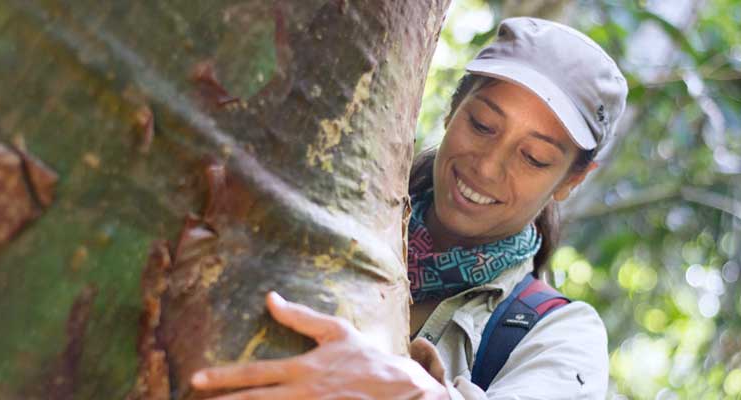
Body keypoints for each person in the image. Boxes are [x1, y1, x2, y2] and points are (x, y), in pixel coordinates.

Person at [190, 17, 628, 399]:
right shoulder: (324, 206)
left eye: (533, 157)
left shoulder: (558, 335)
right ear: (453, 109)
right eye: (483, 125)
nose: (488, 167)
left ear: (571, 179)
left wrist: (409, 391)